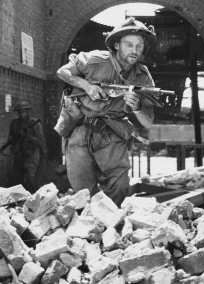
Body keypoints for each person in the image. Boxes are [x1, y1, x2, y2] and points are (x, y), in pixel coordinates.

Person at [56, 17, 156, 206]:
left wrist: (137, 107)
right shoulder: (93, 60)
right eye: (129, 44)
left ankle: (112, 229)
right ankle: (92, 230)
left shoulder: (142, 76)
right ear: (117, 45)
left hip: (112, 134)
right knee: (83, 193)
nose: (134, 50)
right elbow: (62, 72)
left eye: (139, 46)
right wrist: (86, 86)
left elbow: (148, 122)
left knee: (120, 188)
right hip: (80, 131)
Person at [0, 101, 46, 193]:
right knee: (16, 180)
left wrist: (29, 136)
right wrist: (13, 140)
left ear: (28, 112)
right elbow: (10, 138)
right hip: (19, 154)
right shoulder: (14, 123)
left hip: (32, 154)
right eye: (19, 112)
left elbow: (40, 141)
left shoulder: (34, 123)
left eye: (23, 112)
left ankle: (33, 198)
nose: (21, 114)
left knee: (30, 178)